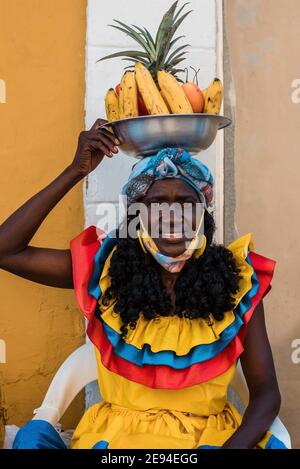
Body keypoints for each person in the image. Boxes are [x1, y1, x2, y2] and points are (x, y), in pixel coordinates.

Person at [0, 119, 285, 449]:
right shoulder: (106, 271)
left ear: (203, 213)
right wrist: (75, 171)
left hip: (206, 444)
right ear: (138, 216)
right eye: (156, 203)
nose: (172, 214)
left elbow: (266, 392)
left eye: (185, 202)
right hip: (118, 447)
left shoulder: (238, 280)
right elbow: (7, 250)